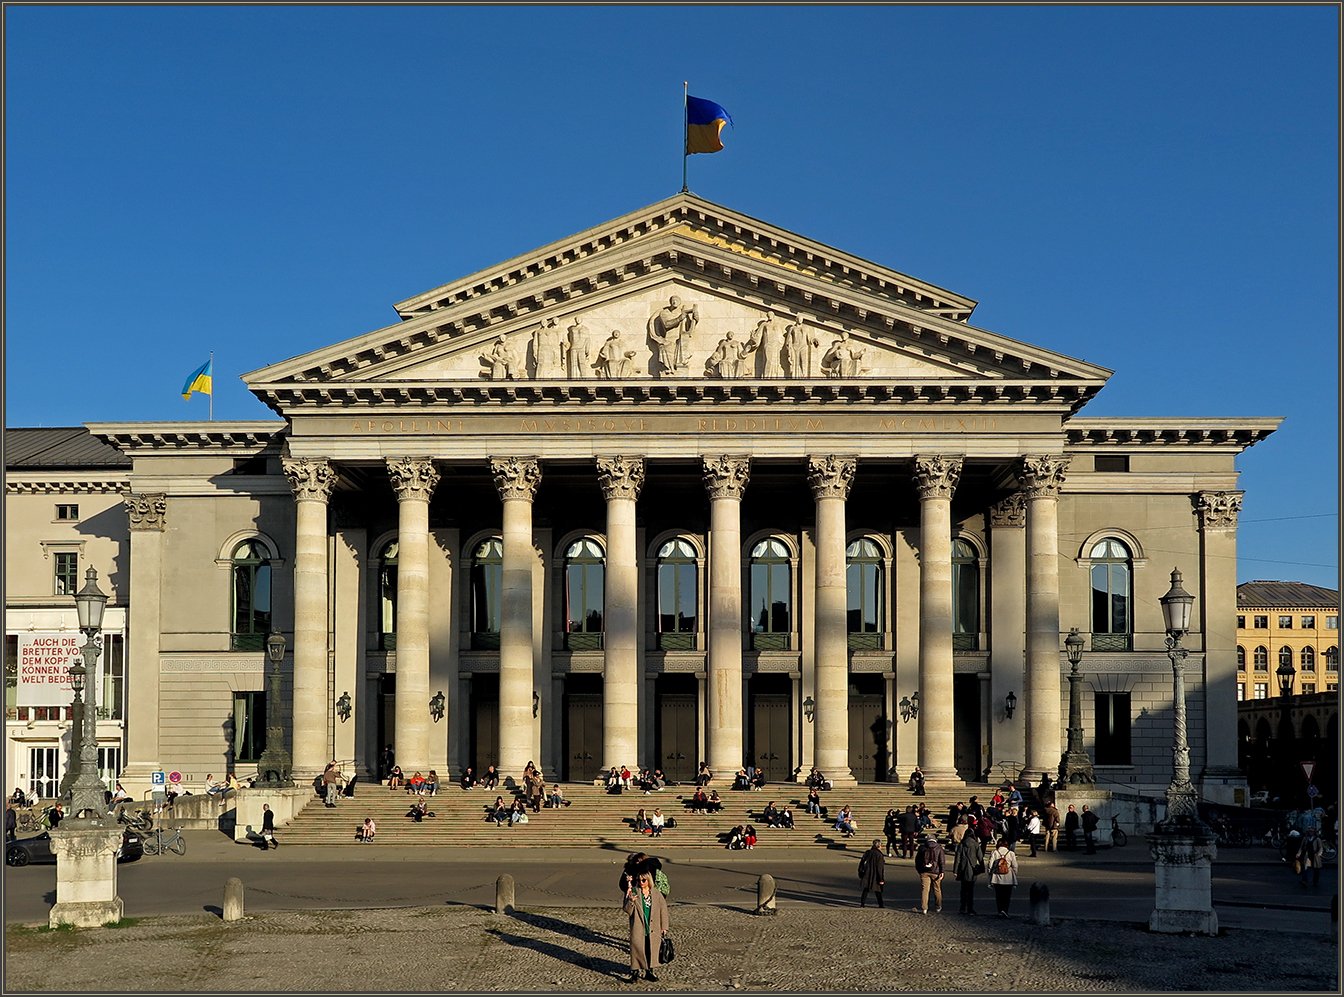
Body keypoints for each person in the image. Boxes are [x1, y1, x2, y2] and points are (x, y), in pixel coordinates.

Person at [623, 870, 670, 983]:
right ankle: (635, 972)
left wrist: (664, 927)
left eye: (643, 880)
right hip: (638, 927)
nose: (641, 882)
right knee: (637, 950)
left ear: (649, 880)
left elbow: (663, 910)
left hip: (653, 927)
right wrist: (631, 902)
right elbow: (627, 910)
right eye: (639, 880)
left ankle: (649, 972)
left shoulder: (656, 893)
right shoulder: (634, 891)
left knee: (651, 950)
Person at [953, 823, 984, 915]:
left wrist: (955, 870)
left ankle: (962, 907)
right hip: (972, 868)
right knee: (971, 890)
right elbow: (980, 857)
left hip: (963, 868)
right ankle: (970, 908)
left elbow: (957, 858)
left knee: (963, 890)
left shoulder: (962, 844)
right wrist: (982, 868)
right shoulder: (975, 844)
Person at [914, 833, 945, 915]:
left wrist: (919, 870)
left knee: (925, 890)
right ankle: (938, 906)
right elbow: (941, 861)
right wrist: (942, 871)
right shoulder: (939, 848)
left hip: (924, 871)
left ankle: (924, 908)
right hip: (935, 871)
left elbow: (917, 860)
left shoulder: (922, 847)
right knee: (937, 889)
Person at [988, 837, 1019, 917]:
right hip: (1008, 877)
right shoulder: (1011, 853)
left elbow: (990, 866)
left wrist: (990, 874)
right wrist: (1015, 874)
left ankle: (1000, 910)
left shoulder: (994, 852)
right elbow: (1015, 866)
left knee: (998, 896)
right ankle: (1005, 910)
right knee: (1007, 896)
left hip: (997, 877)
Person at [858, 838, 886, 908]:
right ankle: (880, 904)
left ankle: (862, 903)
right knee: (878, 890)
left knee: (866, 889)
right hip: (875, 875)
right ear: (879, 846)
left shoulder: (868, 852)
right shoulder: (879, 855)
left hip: (867, 873)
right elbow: (880, 868)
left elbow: (861, 863)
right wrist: (881, 879)